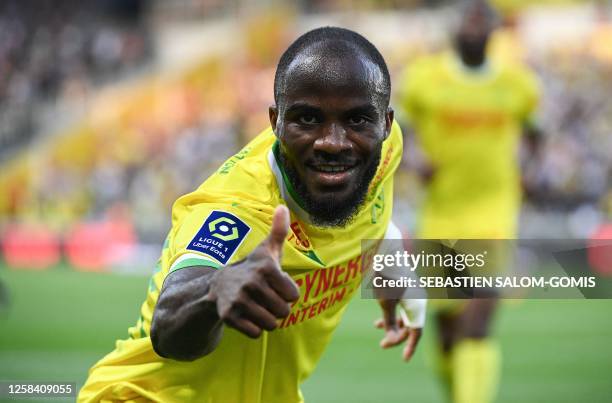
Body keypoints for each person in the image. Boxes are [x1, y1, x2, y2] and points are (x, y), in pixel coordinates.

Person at [79, 27, 425, 403]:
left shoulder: (386, 151)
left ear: (386, 124)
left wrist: (394, 270)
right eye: (308, 119)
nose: (333, 141)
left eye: (357, 120)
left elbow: (369, 210)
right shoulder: (237, 209)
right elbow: (170, 325)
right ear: (274, 121)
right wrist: (215, 293)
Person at [397, 2, 541, 403]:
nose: (475, 27)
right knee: (447, 332)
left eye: (483, 20)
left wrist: (528, 169)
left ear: (495, 30)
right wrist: (414, 162)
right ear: (454, 28)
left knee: (477, 319)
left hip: (494, 210)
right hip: (441, 212)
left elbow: (536, 133)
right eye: (468, 19)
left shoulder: (517, 84)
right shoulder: (424, 79)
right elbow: (397, 132)